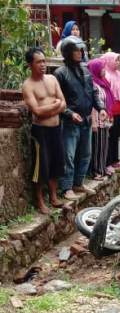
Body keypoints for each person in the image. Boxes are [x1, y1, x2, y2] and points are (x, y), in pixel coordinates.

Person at [55, 36, 106, 200]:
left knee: (85, 154)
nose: (79, 53)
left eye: (81, 50)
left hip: (86, 119)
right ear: (68, 52)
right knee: (68, 155)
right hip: (70, 121)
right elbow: (57, 99)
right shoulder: (60, 73)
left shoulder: (85, 70)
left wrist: (101, 108)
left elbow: (93, 92)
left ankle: (78, 183)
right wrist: (69, 113)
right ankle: (66, 187)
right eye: (76, 50)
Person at [22, 47, 66, 214]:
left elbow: (64, 103)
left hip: (56, 127)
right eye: (38, 62)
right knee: (42, 166)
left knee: (56, 162)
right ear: (30, 65)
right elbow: (37, 112)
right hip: (40, 131)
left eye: (44, 61)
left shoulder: (52, 79)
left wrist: (53, 107)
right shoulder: (28, 85)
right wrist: (55, 105)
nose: (42, 65)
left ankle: (53, 197)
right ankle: (40, 200)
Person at [100, 52, 120, 172]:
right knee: (109, 137)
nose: (118, 62)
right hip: (111, 111)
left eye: (118, 60)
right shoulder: (106, 75)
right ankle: (107, 162)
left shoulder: (118, 74)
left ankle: (115, 160)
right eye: (116, 60)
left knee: (116, 135)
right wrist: (109, 112)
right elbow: (107, 96)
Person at [87, 58, 115, 180]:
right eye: (102, 68)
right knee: (97, 147)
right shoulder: (93, 84)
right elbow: (93, 106)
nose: (104, 70)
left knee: (104, 146)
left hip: (104, 120)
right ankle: (97, 171)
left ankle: (102, 168)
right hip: (97, 121)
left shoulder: (102, 82)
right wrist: (93, 122)